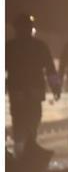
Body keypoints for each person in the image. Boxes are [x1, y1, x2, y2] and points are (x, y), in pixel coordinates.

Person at [6, 13, 55, 159]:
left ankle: (20, 152)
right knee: (33, 119)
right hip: (34, 91)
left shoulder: (9, 47)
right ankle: (28, 150)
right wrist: (56, 87)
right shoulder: (40, 46)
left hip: (17, 91)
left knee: (19, 120)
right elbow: (50, 69)